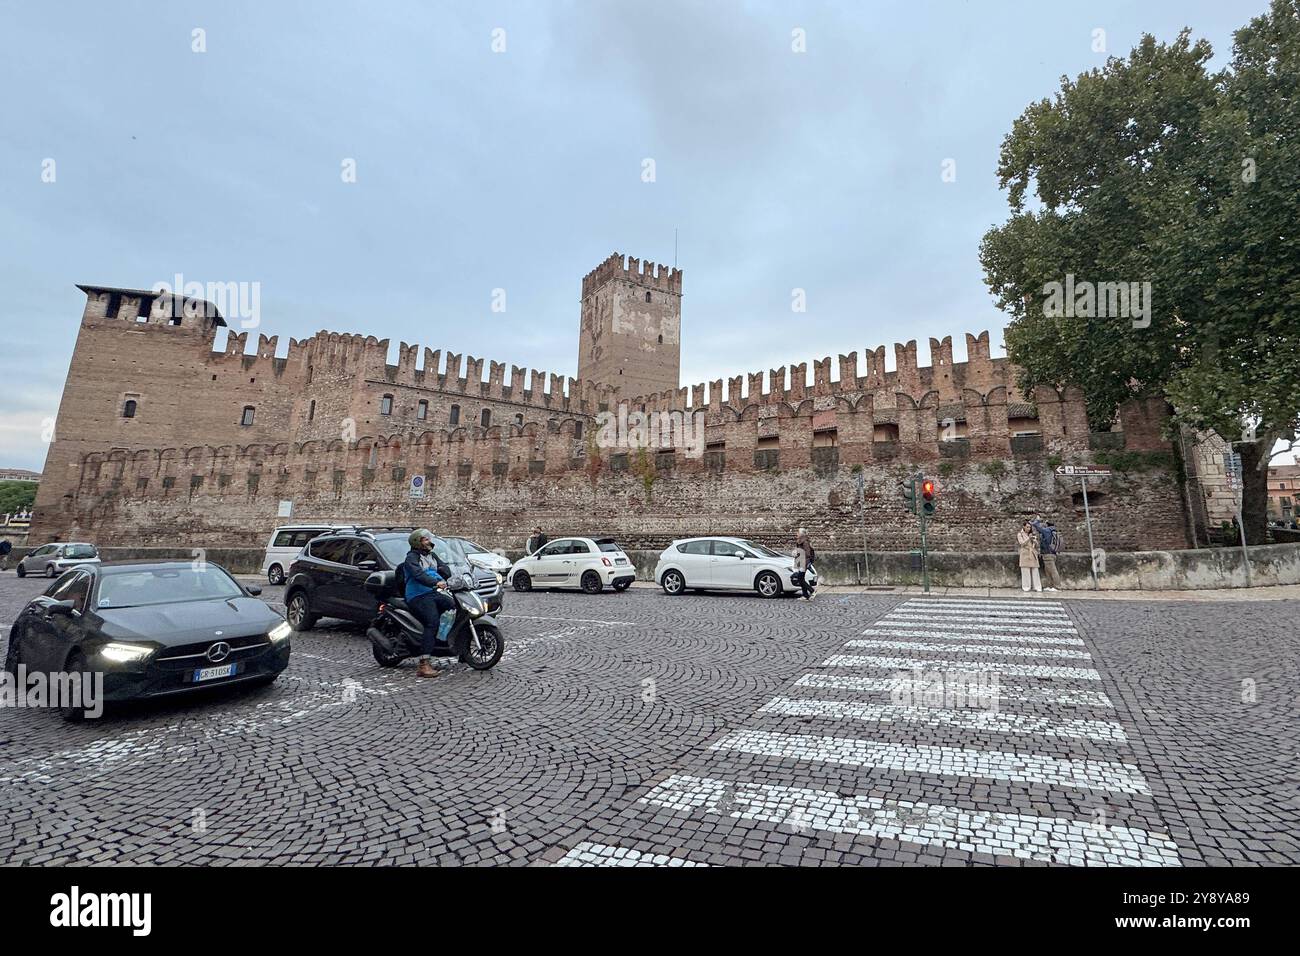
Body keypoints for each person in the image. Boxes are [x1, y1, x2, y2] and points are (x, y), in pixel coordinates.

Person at [403, 528, 455, 679]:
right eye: (426, 540)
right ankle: (424, 664)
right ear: (417, 542)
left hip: (432, 592)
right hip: (417, 594)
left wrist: (446, 573)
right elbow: (418, 575)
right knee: (432, 622)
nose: (429, 542)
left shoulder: (431, 556)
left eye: (429, 539)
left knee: (453, 606)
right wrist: (435, 582)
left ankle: (450, 644)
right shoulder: (411, 558)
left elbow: (445, 568)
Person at [1034, 518, 1063, 592]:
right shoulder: (1054, 531)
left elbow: (1036, 526)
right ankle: (1050, 586)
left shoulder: (1047, 531)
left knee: (1053, 571)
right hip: (1052, 554)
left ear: (1047, 524)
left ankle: (1057, 586)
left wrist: (1037, 520)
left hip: (1048, 554)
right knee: (1048, 571)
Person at [1016, 520, 1042, 592]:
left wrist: (1035, 541)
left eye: (1030, 527)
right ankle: (1026, 587)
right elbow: (1022, 544)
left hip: (1033, 553)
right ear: (1024, 527)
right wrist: (1028, 539)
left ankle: (1037, 587)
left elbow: (1037, 545)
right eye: (1027, 527)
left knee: (1035, 570)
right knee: (1025, 571)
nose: (1029, 528)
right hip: (1025, 553)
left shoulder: (1032, 534)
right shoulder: (1020, 534)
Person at [793, 528, 816, 601]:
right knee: (801, 579)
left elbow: (807, 553)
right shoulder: (799, 541)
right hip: (801, 562)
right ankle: (805, 595)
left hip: (804, 562)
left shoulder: (805, 542)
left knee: (800, 578)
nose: (796, 533)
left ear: (801, 534)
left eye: (797, 532)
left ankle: (812, 591)